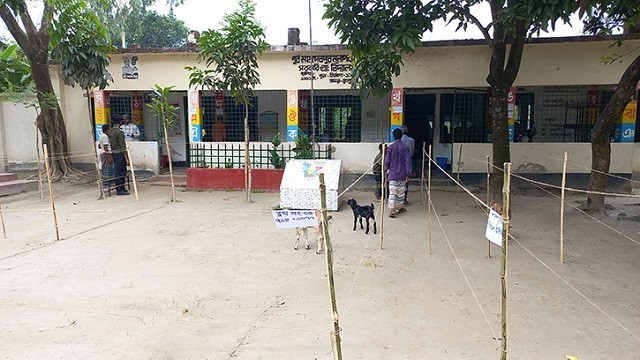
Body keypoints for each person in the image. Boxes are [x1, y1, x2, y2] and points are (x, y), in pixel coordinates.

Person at [385, 128, 412, 218]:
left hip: (392, 173)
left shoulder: (390, 148)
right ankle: (397, 208)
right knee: (400, 192)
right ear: (401, 136)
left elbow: (387, 162)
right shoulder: (405, 147)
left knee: (392, 192)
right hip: (402, 174)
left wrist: (389, 168)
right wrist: (408, 174)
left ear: (393, 136)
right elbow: (408, 162)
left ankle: (392, 210)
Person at [108, 118, 130, 196]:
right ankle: (120, 189)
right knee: (121, 171)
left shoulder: (110, 131)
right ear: (120, 122)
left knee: (118, 171)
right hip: (119, 153)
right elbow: (123, 146)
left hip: (113, 153)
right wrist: (127, 158)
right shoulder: (119, 132)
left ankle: (121, 188)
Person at [400, 125, 415, 204]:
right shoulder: (411, 140)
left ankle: (399, 198)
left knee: (398, 181)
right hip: (408, 161)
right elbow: (412, 151)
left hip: (399, 163)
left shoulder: (398, 141)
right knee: (406, 181)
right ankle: (404, 198)